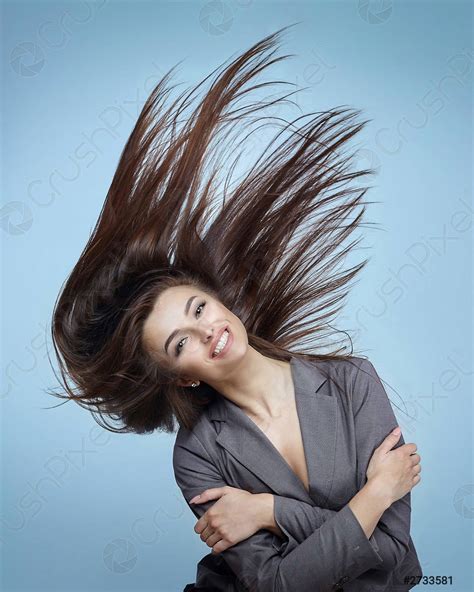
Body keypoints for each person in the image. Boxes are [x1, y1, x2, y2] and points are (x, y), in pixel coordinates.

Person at [47, 24, 423, 592]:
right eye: (180, 343)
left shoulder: (351, 383)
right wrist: (374, 494)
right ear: (178, 375)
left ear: (217, 298)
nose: (206, 332)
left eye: (197, 309)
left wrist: (267, 511)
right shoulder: (197, 453)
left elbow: (396, 561)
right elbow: (274, 586)